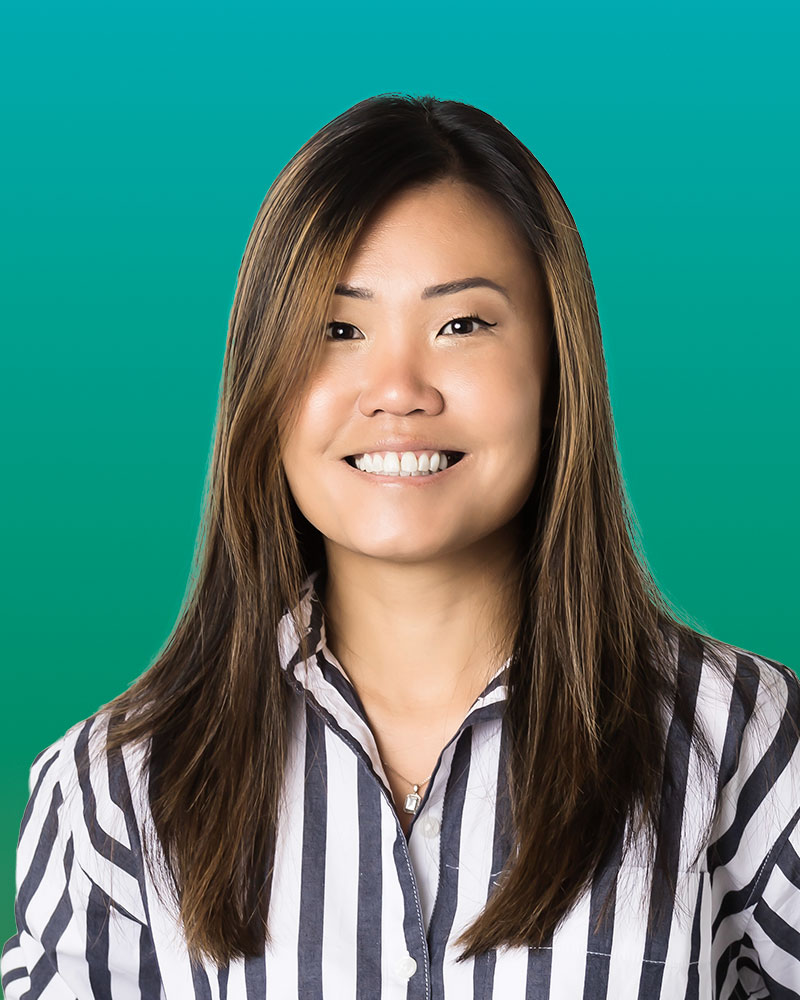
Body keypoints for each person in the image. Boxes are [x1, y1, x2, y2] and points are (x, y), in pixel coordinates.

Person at [2, 94, 798, 1000]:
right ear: (261, 380)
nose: (398, 390)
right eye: (338, 330)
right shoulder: (113, 790)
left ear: (557, 367)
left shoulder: (740, 741)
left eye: (462, 325)